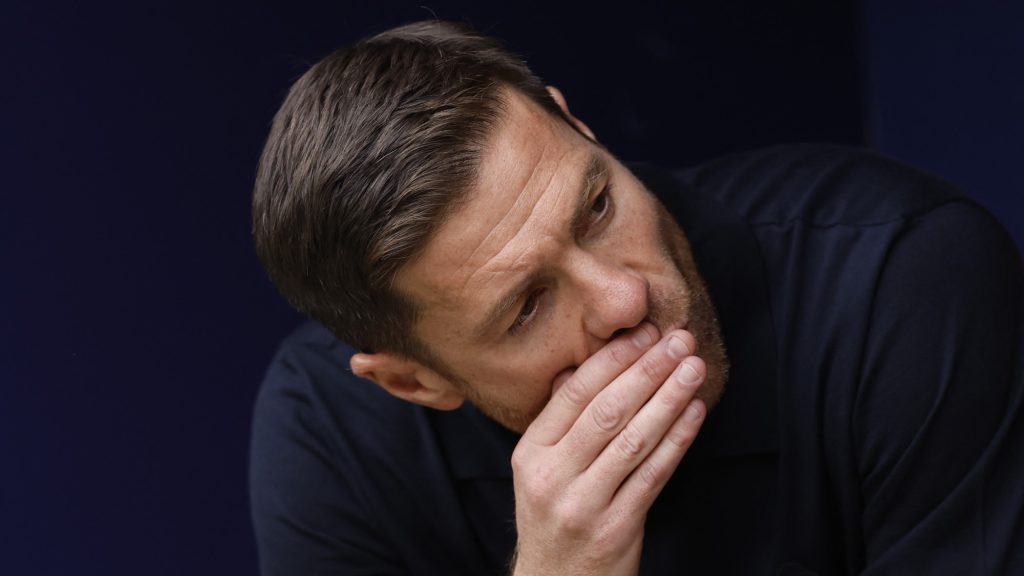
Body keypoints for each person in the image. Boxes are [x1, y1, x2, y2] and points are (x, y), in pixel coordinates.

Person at [248, 20, 1024, 576]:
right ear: (415, 381)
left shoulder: (898, 273)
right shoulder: (331, 434)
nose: (623, 297)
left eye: (596, 207)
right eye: (527, 306)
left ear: (576, 124)